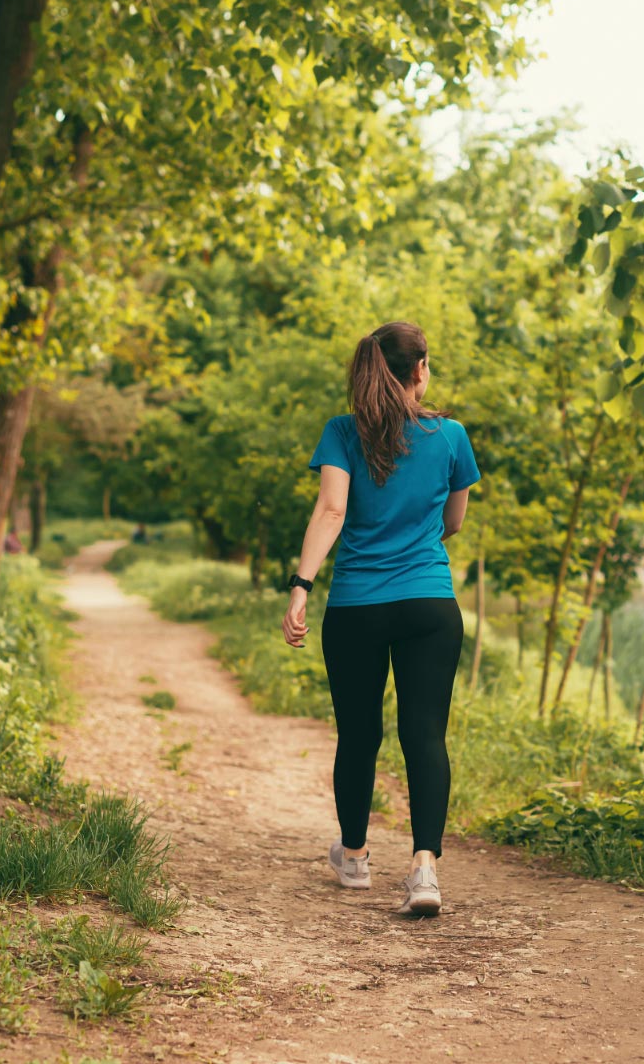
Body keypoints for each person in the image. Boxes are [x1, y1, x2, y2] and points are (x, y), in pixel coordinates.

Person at [281, 321, 479, 916]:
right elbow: (453, 523)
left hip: (356, 607)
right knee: (424, 735)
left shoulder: (341, 433)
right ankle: (424, 870)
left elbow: (333, 508)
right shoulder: (451, 437)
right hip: (428, 605)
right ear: (420, 369)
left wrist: (301, 586)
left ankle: (357, 857)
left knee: (360, 733)